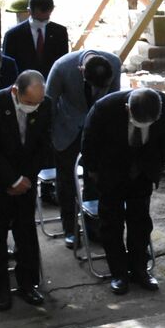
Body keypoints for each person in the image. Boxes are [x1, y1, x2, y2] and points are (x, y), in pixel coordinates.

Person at [81, 88, 165, 295]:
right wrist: (96, 174)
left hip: (142, 172)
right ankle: (118, 273)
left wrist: (153, 169)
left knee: (140, 222)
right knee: (111, 224)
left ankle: (140, 269)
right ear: (127, 109)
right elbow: (88, 145)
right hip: (111, 172)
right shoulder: (104, 109)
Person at [0, 70, 52, 311]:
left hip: (26, 182)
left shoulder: (45, 104)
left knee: (26, 232)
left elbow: (43, 145)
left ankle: (28, 284)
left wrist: (26, 179)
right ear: (15, 92)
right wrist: (12, 179)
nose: (34, 107)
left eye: (37, 103)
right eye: (29, 102)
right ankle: (0, 288)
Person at [45, 49, 122, 248]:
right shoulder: (62, 67)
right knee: (66, 181)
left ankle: (94, 227)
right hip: (68, 127)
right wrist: (50, 137)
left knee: (95, 178)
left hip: (98, 129)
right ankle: (70, 229)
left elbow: (114, 101)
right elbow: (49, 103)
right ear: (81, 71)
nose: (97, 90)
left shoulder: (114, 63)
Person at [2, 0, 68, 78]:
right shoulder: (13, 34)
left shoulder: (60, 32)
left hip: (51, 80)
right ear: (29, 11)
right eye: (38, 19)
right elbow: (8, 65)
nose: (42, 22)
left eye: (45, 19)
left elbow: (63, 60)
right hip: (23, 81)